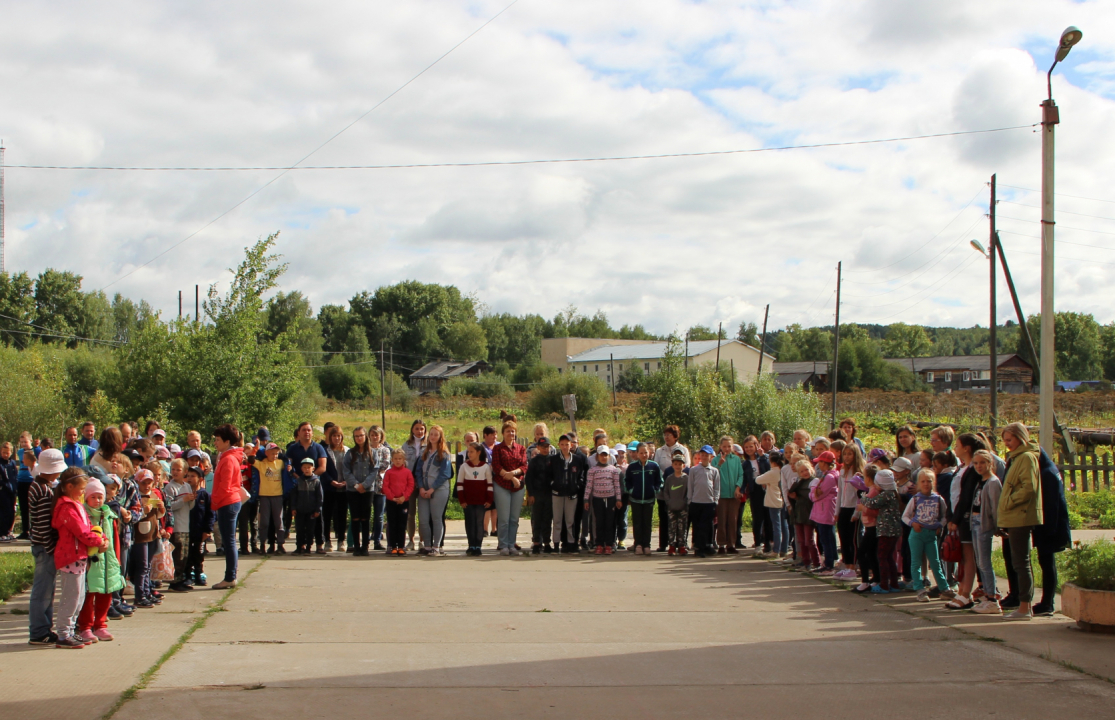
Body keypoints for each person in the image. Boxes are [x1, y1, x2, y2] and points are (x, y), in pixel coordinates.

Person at [51, 468, 107, 648]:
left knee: (80, 596)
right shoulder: (66, 507)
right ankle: (63, 634)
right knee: (71, 597)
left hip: (80, 556)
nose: (84, 493)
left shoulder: (77, 505)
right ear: (69, 487)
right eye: (82, 489)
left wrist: (100, 538)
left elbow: (88, 526)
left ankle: (71, 630)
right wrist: (98, 541)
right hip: (70, 558)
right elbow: (81, 531)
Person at [997, 422, 1042, 621]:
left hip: (1020, 515)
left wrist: (1008, 501)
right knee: (1018, 561)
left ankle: (1025, 606)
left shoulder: (1026, 457)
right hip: (1013, 514)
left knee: (1021, 562)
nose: (1007, 444)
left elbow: (1028, 487)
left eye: (1010, 440)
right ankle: (1024, 605)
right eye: (1005, 440)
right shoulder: (1017, 457)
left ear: (1020, 437)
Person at [27, 449, 66, 645]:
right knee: (42, 591)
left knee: (48, 590)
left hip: (42, 545)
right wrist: (51, 548)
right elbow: (42, 524)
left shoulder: (39, 486)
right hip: (44, 546)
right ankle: (38, 631)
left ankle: (44, 628)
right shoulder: (42, 491)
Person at [77, 478, 124, 642]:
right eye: (93, 497)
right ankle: (85, 627)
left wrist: (117, 559)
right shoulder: (84, 514)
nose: (97, 501)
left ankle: (101, 624)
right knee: (89, 595)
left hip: (108, 560)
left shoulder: (109, 515)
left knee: (106, 592)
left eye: (100, 497)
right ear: (86, 498)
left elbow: (116, 538)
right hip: (92, 561)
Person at [945, 433, 988, 610]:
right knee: (961, 556)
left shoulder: (972, 470)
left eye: (958, 444)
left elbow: (966, 497)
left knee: (968, 556)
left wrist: (956, 518)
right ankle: (962, 589)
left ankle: (966, 593)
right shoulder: (961, 468)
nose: (955, 448)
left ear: (967, 448)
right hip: (957, 516)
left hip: (966, 518)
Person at [903, 470, 953, 603]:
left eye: (929, 481)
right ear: (919, 483)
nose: (926, 484)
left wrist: (939, 526)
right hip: (917, 534)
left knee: (936, 562)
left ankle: (944, 588)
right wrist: (913, 523)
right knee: (916, 562)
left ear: (934, 483)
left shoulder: (938, 499)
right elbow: (905, 516)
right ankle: (919, 589)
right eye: (923, 481)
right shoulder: (915, 499)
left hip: (931, 535)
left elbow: (944, 516)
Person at [210, 424, 245, 589]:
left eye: (218, 440)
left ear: (226, 441)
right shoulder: (227, 456)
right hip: (228, 501)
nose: (215, 443)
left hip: (227, 502)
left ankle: (230, 576)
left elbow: (225, 486)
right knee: (229, 540)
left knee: (229, 541)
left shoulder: (229, 459)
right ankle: (230, 575)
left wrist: (214, 501)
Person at [969, 450, 1003, 614]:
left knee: (984, 562)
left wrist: (997, 525)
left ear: (990, 463)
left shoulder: (993, 482)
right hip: (975, 522)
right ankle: (987, 595)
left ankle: (992, 598)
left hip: (984, 524)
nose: (979, 466)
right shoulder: (980, 481)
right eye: (976, 463)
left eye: (982, 462)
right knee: (980, 562)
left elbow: (996, 506)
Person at [859, 469, 903, 594]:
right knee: (889, 557)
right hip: (894, 530)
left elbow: (872, 503)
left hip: (886, 530)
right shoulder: (893, 494)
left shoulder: (886, 495)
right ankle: (893, 584)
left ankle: (884, 585)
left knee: (882, 557)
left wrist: (862, 497)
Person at [415, 425, 453, 556]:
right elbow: (418, 471)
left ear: (440, 437)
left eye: (436, 434)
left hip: (438, 490)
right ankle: (427, 546)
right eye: (431, 434)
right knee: (423, 519)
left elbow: (444, 474)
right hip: (423, 490)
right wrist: (421, 487)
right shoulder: (423, 452)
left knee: (436, 518)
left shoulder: (444, 454)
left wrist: (432, 489)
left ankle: (436, 546)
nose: (432, 437)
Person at [343, 427, 382, 557]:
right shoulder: (349, 453)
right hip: (352, 490)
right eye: (356, 436)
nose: (359, 438)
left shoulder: (372, 453)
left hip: (367, 490)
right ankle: (356, 546)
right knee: (355, 518)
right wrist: (355, 484)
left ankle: (365, 546)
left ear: (366, 436)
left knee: (365, 518)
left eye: (361, 435)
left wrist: (364, 485)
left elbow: (374, 471)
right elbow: (346, 471)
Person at [491, 421, 528, 556]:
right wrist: (511, 477)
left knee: (514, 518)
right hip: (502, 485)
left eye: (513, 431)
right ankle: (503, 545)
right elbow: (496, 466)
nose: (511, 433)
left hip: (518, 487)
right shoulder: (498, 448)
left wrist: (514, 474)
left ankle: (512, 544)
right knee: (504, 518)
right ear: (503, 433)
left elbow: (524, 466)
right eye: (508, 431)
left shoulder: (521, 448)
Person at [653, 426, 689, 552]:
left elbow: (687, 467)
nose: (666, 437)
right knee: (664, 517)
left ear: (675, 436)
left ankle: (682, 543)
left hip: (680, 490)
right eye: (665, 435)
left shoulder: (683, 450)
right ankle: (664, 544)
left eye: (669, 435)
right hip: (665, 489)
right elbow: (656, 468)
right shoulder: (659, 451)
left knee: (682, 520)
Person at [551, 434, 587, 554]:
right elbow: (550, 475)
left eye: (567, 444)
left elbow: (581, 476)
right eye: (562, 444)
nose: (565, 447)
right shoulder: (554, 459)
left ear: (571, 445)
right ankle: (556, 543)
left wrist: (576, 487)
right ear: (559, 445)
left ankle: (571, 543)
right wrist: (554, 484)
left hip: (572, 494)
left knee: (570, 520)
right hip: (557, 493)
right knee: (557, 520)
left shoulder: (577, 459)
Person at [835, 443, 866, 580]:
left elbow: (860, 496)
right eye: (845, 454)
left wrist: (856, 513)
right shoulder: (842, 471)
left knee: (852, 540)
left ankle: (853, 567)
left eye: (850, 454)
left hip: (854, 510)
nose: (847, 457)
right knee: (843, 538)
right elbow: (840, 493)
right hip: (844, 508)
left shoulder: (858, 472)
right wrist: (837, 511)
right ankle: (847, 565)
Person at [624, 442, 662, 556]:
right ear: (637, 453)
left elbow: (659, 481)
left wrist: (655, 490)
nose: (644, 454)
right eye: (641, 452)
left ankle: (647, 545)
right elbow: (627, 481)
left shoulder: (654, 466)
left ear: (649, 453)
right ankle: (638, 545)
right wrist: (631, 490)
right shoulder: (632, 467)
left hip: (649, 500)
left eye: (645, 452)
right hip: (635, 500)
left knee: (647, 523)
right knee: (637, 523)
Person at [457, 442, 493, 556]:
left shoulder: (485, 467)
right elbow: (459, 484)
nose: (469, 454)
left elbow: (490, 484)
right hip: (468, 501)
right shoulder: (464, 466)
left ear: (479, 452)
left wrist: (489, 500)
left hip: (481, 500)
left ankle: (478, 546)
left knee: (479, 522)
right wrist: (462, 500)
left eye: (472, 451)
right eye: (468, 451)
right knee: (470, 522)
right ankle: (471, 545)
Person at [585, 446, 623, 555]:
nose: (603, 457)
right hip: (597, 499)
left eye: (605, 455)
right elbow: (589, 486)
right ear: (597, 456)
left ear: (609, 456)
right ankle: (599, 544)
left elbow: (617, 485)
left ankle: (609, 544)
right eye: (601, 455)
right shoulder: (592, 470)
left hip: (610, 498)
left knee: (610, 522)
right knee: (599, 522)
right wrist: (586, 500)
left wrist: (618, 499)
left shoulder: (613, 470)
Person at [165, 459, 194, 592]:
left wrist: (191, 499)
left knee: (184, 555)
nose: (175, 472)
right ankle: (174, 582)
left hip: (185, 525)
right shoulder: (170, 487)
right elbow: (169, 506)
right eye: (173, 469)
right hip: (176, 526)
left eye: (178, 469)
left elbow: (190, 507)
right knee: (177, 554)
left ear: (185, 472)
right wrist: (183, 500)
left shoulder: (187, 486)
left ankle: (181, 579)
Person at [712, 436, 743, 554]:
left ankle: (731, 544)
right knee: (722, 520)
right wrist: (719, 464)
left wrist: (738, 487)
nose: (726, 448)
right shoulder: (715, 460)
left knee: (733, 520)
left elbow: (741, 474)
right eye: (724, 446)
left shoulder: (736, 459)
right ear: (720, 447)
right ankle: (721, 544)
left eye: (729, 446)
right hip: (721, 494)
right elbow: (712, 474)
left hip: (734, 495)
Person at [687, 445, 720, 557]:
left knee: (707, 525)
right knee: (698, 525)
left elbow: (716, 487)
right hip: (696, 502)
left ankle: (707, 545)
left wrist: (715, 500)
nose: (704, 457)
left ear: (710, 457)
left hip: (709, 502)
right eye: (702, 455)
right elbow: (690, 485)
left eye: (706, 455)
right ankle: (698, 547)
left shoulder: (714, 471)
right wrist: (690, 500)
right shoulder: (694, 470)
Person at [809, 451, 839, 575]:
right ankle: (829, 561)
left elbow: (818, 494)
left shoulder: (829, 477)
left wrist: (812, 492)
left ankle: (829, 564)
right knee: (827, 536)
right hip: (825, 510)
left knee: (826, 538)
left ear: (825, 463)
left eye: (820, 462)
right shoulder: (828, 475)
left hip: (825, 510)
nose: (818, 465)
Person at [740, 435, 771, 553]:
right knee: (757, 518)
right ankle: (758, 543)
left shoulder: (764, 458)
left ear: (756, 446)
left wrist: (762, 456)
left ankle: (768, 542)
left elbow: (769, 468)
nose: (748, 449)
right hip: (754, 491)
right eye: (746, 447)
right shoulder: (745, 464)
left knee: (768, 517)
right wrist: (741, 490)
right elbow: (744, 479)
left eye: (751, 446)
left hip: (766, 489)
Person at [852, 466, 881, 593]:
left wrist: (862, 508)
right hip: (869, 527)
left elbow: (875, 510)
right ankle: (876, 578)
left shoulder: (874, 491)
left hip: (873, 527)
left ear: (869, 478)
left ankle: (865, 581)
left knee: (862, 553)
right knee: (871, 553)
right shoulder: (871, 490)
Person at [755, 451, 788, 559]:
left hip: (773, 500)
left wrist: (768, 482)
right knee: (784, 525)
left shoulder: (773, 472)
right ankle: (784, 549)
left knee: (776, 526)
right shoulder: (783, 471)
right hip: (783, 500)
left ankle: (776, 550)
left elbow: (758, 479)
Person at [321, 425, 348, 553]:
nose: (337, 438)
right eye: (334, 436)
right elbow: (323, 469)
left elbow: (350, 468)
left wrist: (345, 481)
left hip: (344, 488)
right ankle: (327, 540)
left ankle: (341, 540)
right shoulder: (324, 451)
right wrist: (331, 481)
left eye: (339, 436)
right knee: (327, 515)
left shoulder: (347, 451)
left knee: (342, 515)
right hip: (329, 488)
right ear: (330, 437)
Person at [526, 436, 555, 554]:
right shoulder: (534, 461)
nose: (545, 449)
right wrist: (531, 494)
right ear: (538, 447)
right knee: (537, 518)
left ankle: (547, 542)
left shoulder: (553, 460)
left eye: (547, 447)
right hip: (537, 494)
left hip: (549, 494)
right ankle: (537, 542)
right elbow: (529, 479)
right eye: (542, 447)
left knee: (547, 519)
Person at [788, 459, 818, 570]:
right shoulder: (798, 483)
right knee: (801, 540)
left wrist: (798, 496)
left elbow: (811, 497)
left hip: (809, 514)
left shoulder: (814, 481)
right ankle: (806, 563)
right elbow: (794, 496)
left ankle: (816, 563)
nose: (805, 473)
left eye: (806, 470)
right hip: (799, 514)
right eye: (802, 471)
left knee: (809, 540)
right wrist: (795, 497)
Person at [382, 449, 415, 555]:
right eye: (395, 459)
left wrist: (403, 497)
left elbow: (410, 486)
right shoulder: (389, 472)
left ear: (404, 460)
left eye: (400, 458)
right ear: (392, 460)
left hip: (403, 502)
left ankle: (401, 546)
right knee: (392, 523)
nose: (397, 461)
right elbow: (385, 486)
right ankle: (392, 546)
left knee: (402, 524)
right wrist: (392, 497)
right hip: (391, 502)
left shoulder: (407, 472)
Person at [184, 467, 212, 587]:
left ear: (200, 479)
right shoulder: (185, 493)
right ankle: (188, 576)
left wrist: (207, 530)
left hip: (200, 531)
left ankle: (199, 573)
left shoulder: (204, 495)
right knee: (188, 554)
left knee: (199, 553)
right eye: (188, 476)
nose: (190, 478)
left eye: (193, 476)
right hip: (187, 530)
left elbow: (210, 513)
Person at [256, 443, 285, 554]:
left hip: (277, 495)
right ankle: (263, 544)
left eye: (277, 453)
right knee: (264, 522)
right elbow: (251, 460)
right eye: (272, 453)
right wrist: (256, 448)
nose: (275, 455)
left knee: (278, 521)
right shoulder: (262, 464)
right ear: (266, 453)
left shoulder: (280, 463)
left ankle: (280, 545)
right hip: (265, 496)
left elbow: (288, 464)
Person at [402, 420, 427, 551]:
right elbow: (402, 463)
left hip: (423, 483)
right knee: (410, 514)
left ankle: (422, 541)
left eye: (422, 429)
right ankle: (410, 540)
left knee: (423, 513)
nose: (419, 431)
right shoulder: (406, 445)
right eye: (417, 428)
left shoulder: (428, 445)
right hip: (410, 483)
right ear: (412, 430)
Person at [292, 458, 323, 555]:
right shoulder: (298, 481)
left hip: (311, 511)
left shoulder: (316, 481)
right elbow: (293, 496)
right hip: (300, 510)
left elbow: (320, 497)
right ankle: (299, 547)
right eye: (304, 467)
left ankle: (308, 547)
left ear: (313, 468)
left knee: (310, 530)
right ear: (301, 468)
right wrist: (293, 508)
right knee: (300, 529)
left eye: (309, 467)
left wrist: (318, 509)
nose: (306, 469)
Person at [367, 427, 391, 551]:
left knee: (379, 516)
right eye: (372, 435)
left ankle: (377, 540)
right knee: (366, 514)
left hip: (380, 487)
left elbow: (385, 464)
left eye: (377, 435)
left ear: (381, 436)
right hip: (367, 486)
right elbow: (364, 465)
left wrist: (372, 467)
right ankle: (366, 539)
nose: (375, 437)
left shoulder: (385, 450)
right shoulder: (366, 449)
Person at [661, 452, 689, 555]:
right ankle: (672, 546)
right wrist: (669, 502)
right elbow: (666, 492)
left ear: (684, 466)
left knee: (682, 527)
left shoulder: (686, 478)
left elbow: (688, 492)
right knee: (672, 527)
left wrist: (685, 502)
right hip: (671, 508)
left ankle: (682, 546)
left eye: (680, 464)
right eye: (675, 464)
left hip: (683, 508)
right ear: (672, 465)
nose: (678, 466)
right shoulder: (669, 478)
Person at [16, 432, 40, 540]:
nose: (24, 444)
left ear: (30, 441)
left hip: (31, 480)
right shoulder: (20, 452)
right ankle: (25, 530)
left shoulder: (36, 450)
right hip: (21, 480)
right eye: (22, 442)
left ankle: (34, 530)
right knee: (23, 507)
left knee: (33, 507)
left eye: (25, 442)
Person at [480, 425, 498, 538]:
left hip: (497, 479)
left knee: (495, 506)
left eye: (495, 435)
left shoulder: (499, 446)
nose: (494, 437)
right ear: (485, 435)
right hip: (485, 480)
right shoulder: (481, 448)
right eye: (492, 435)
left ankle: (494, 529)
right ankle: (485, 529)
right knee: (487, 505)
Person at [0, 442, 17, 541]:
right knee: (3, 512)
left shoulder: (12, 463)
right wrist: (4, 484)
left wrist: (15, 487)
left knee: (11, 511)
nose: (5, 455)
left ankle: (8, 531)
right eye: (3, 453)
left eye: (7, 453)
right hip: (3, 491)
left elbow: (15, 476)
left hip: (12, 490)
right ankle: (2, 532)